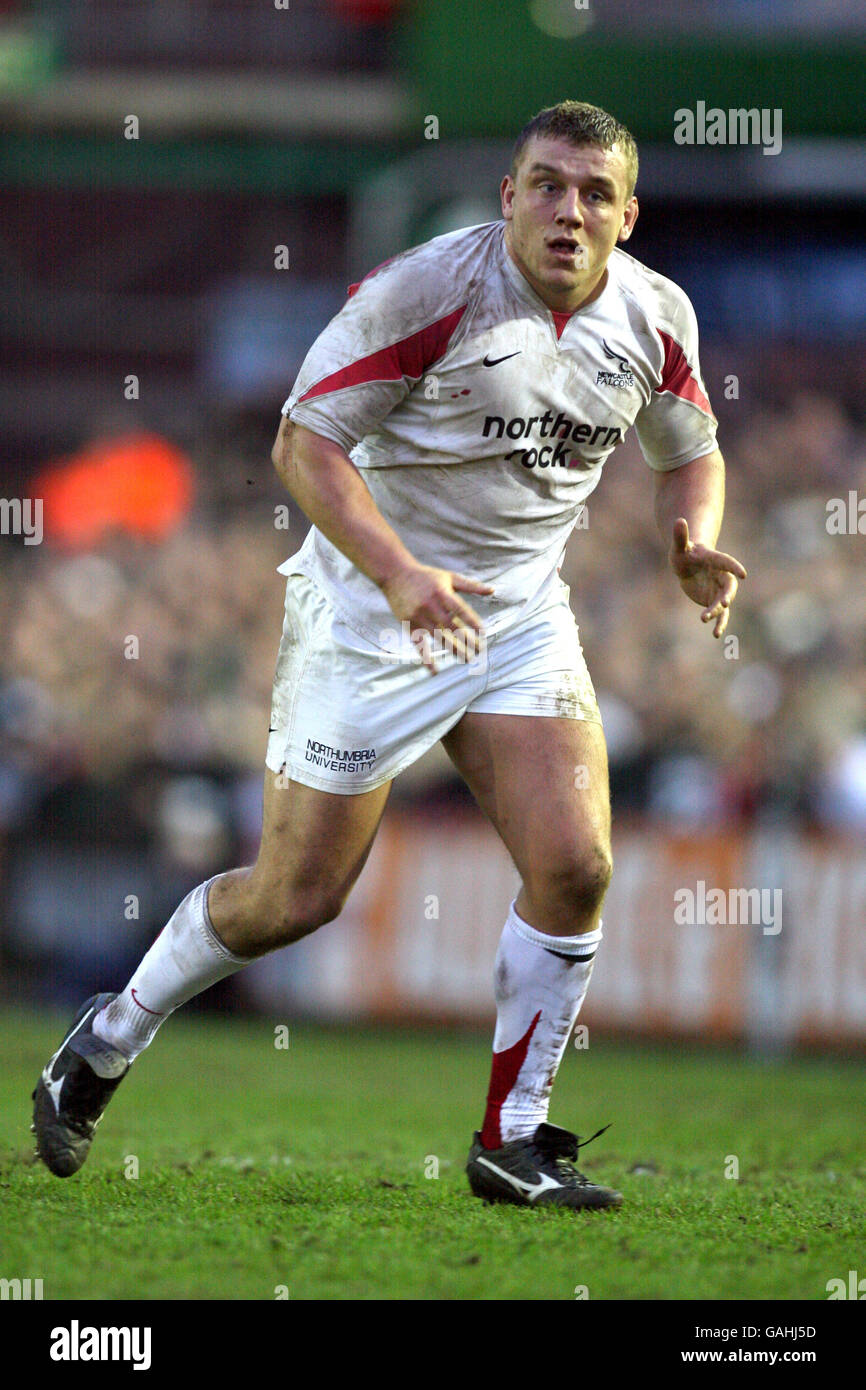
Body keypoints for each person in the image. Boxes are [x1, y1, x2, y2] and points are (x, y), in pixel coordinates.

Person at [33, 101, 746, 1209]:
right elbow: (301, 445)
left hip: (512, 620)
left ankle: (511, 1138)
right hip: (369, 614)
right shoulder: (427, 293)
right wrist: (401, 575)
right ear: (507, 196)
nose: (568, 210)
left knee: (575, 865)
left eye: (593, 193)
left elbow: (687, 449)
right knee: (295, 896)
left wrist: (694, 537)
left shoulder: (655, 316)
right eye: (547, 185)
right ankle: (110, 1034)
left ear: (626, 215)